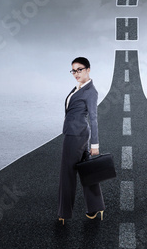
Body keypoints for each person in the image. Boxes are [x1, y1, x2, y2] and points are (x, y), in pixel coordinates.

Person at [57, 57, 105, 225]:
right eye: (73, 70)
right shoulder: (79, 88)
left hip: (75, 137)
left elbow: (94, 119)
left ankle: (63, 213)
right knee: (88, 172)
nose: (76, 73)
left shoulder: (90, 91)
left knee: (67, 174)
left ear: (88, 69)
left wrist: (95, 144)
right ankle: (95, 207)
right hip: (80, 134)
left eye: (79, 69)